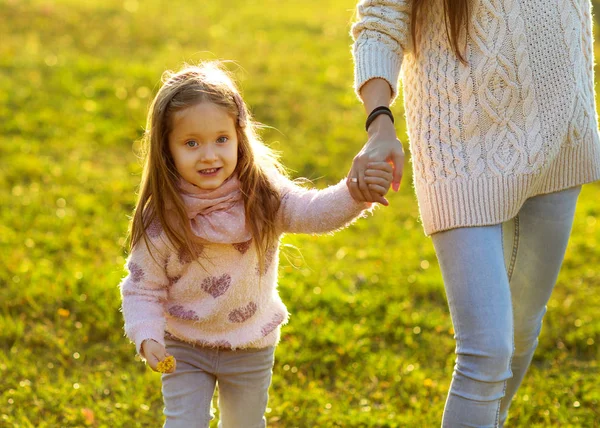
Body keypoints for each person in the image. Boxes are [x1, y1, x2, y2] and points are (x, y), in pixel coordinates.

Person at [349, 0, 600, 426]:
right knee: (487, 349)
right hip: (459, 149)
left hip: (562, 131)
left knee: (521, 333)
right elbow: (379, 22)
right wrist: (379, 123)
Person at [118, 61, 393, 427]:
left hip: (250, 346)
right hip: (183, 345)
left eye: (221, 139)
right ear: (167, 149)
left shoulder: (261, 197)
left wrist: (355, 195)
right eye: (191, 143)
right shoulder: (164, 218)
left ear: (239, 135)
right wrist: (147, 336)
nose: (209, 155)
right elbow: (142, 288)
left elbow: (312, 212)